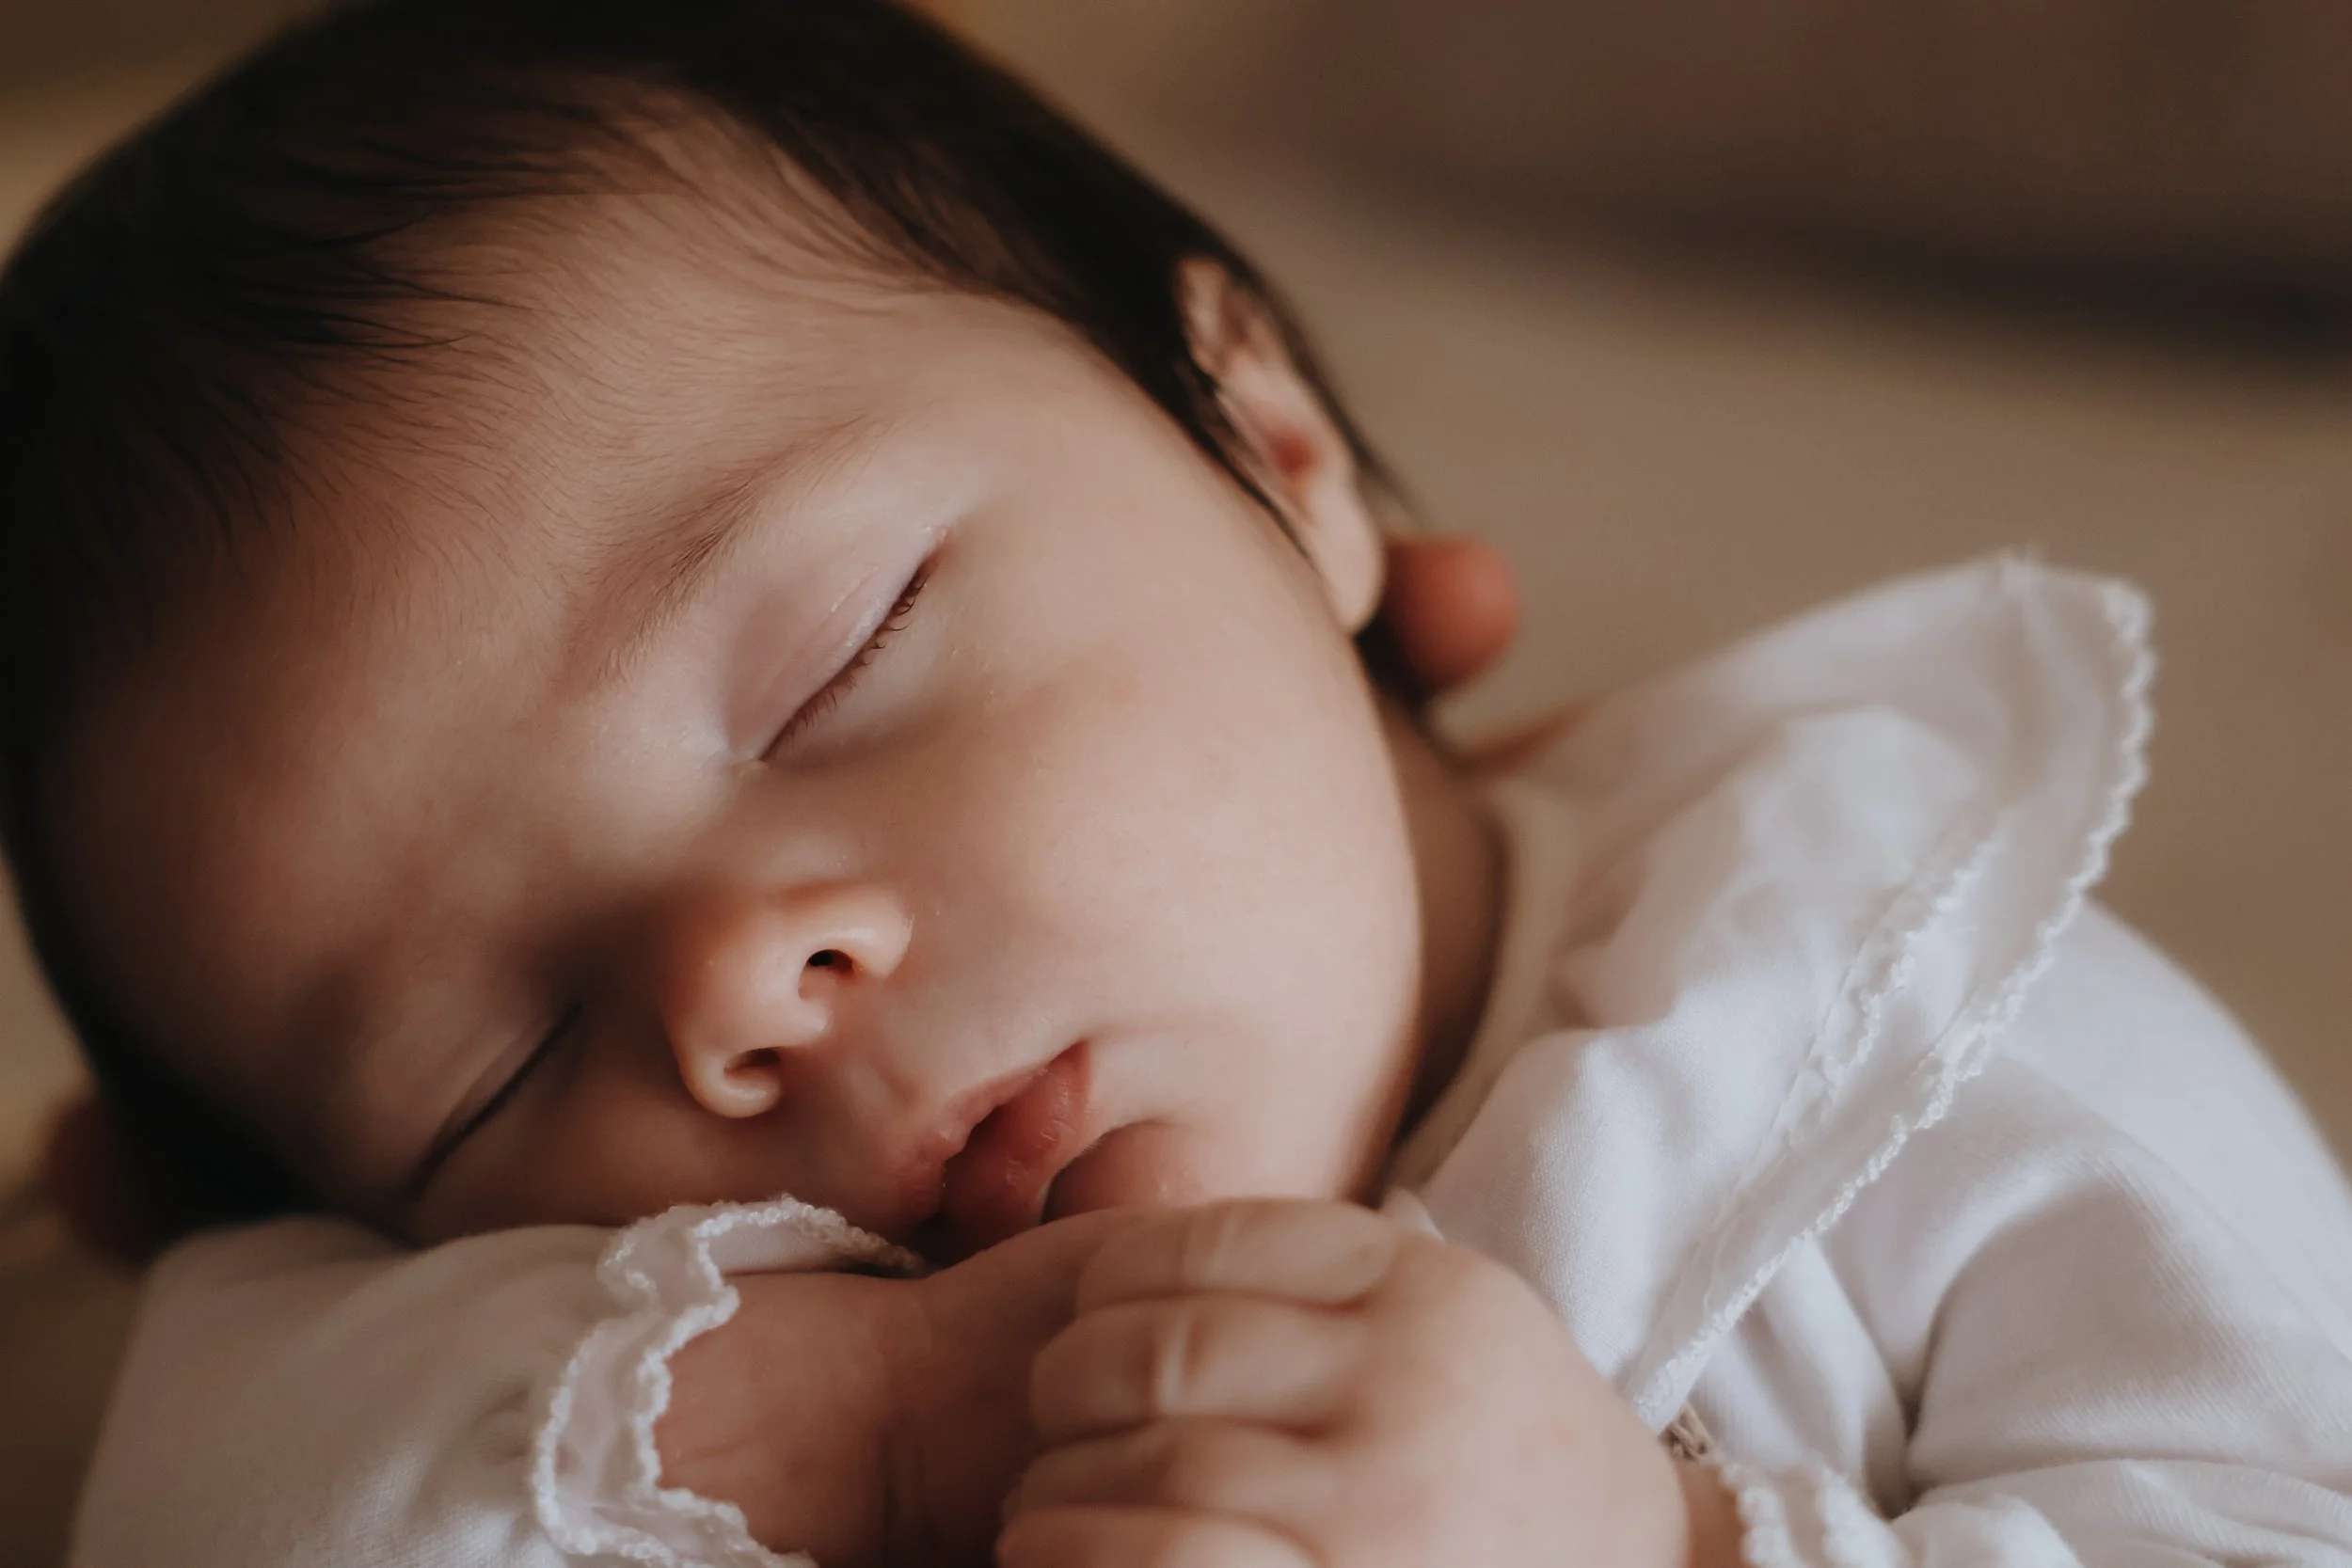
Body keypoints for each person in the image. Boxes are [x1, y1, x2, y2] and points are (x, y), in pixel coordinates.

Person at [4, 4, 2348, 1566]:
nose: (743, 979)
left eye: (835, 666)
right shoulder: (597, 1350)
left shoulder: (1913, 1031)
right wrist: (863, 1423)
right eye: (491, 1063)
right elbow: (175, 1443)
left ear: (1275, 448)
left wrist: (1661, 1542)